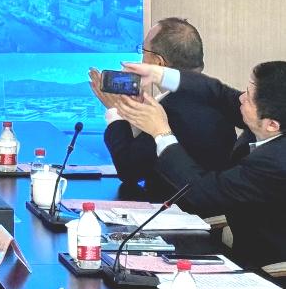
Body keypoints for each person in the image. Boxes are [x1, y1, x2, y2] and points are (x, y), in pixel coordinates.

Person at [114, 60, 286, 269]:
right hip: (241, 255)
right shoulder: (273, 118)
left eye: (248, 98)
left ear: (272, 125)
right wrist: (158, 74)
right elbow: (219, 94)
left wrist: (161, 132)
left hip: (268, 271)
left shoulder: (276, 162)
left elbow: (202, 191)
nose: (241, 98)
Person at [91, 18, 236, 200]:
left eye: (143, 51)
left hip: (173, 212)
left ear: (158, 63)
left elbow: (129, 171)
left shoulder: (173, 110)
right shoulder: (216, 97)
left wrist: (116, 111)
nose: (141, 58)